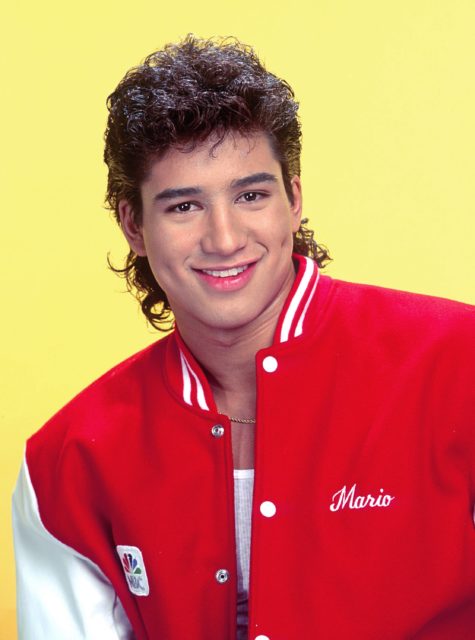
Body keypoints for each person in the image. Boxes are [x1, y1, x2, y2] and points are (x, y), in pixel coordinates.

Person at [12, 35, 475, 640]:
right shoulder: (67, 464)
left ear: (295, 200)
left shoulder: (456, 366)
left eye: (251, 195)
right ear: (134, 225)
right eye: (183, 206)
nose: (225, 238)